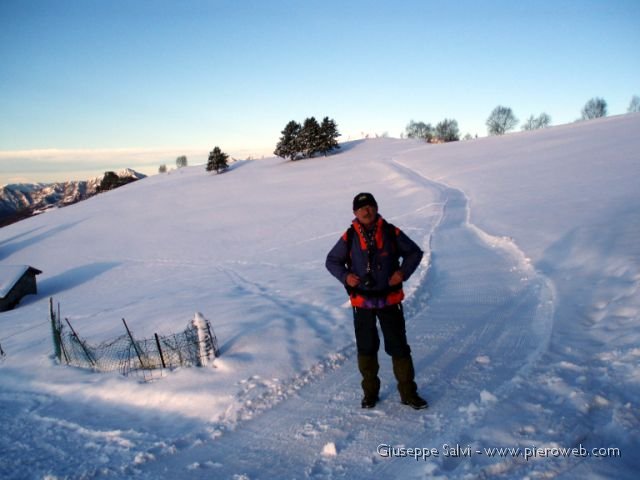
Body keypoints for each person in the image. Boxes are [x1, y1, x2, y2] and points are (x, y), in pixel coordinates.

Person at [326, 193, 428, 409]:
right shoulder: (350, 236)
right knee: (366, 348)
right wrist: (346, 277)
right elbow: (332, 260)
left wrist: (402, 273)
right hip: (362, 303)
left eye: (370, 206)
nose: (366, 211)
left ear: (376, 207)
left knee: (399, 347)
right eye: (361, 208)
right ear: (355, 212)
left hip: (390, 300)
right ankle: (370, 394)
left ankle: (408, 393)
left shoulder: (391, 231)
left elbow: (414, 253)